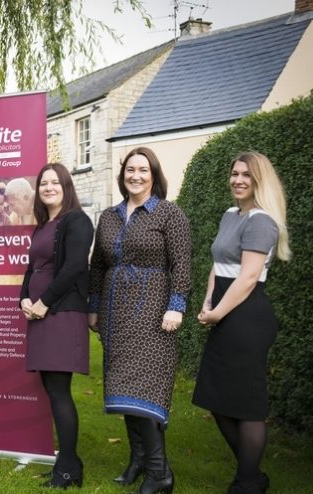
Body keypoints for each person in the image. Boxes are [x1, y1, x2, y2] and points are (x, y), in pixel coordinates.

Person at [88, 147, 191, 494]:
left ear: (154, 175)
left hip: (153, 314)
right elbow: (97, 266)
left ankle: (160, 473)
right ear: (123, 176)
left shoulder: (169, 214)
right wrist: (93, 306)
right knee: (123, 390)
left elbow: (182, 264)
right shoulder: (109, 217)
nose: (136, 175)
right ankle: (139, 460)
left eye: (143, 170)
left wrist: (176, 305)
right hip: (115, 314)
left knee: (144, 389)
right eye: (130, 170)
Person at [192, 152, 291, 494]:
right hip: (225, 314)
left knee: (247, 406)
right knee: (217, 398)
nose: (238, 180)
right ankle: (253, 475)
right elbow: (218, 266)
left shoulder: (261, 221)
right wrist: (208, 301)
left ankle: (247, 482)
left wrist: (218, 313)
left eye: (246, 175)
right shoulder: (230, 215)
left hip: (247, 319)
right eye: (235, 173)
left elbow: (248, 277)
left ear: (260, 180)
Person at [20, 163, 93, 488]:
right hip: (40, 314)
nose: (48, 188)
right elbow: (31, 268)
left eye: (55, 182)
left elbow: (75, 266)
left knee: (60, 391)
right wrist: (24, 298)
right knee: (52, 389)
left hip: (61, 314)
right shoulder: (43, 225)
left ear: (66, 186)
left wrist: (44, 302)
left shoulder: (76, 220)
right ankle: (69, 464)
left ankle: (66, 468)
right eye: (43, 183)